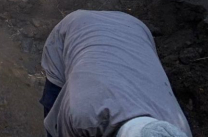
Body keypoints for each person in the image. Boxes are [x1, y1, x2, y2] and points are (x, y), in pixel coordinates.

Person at [40, 10, 191, 137]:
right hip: (79, 27)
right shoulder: (83, 114)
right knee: (53, 108)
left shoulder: (179, 128)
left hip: (134, 29)